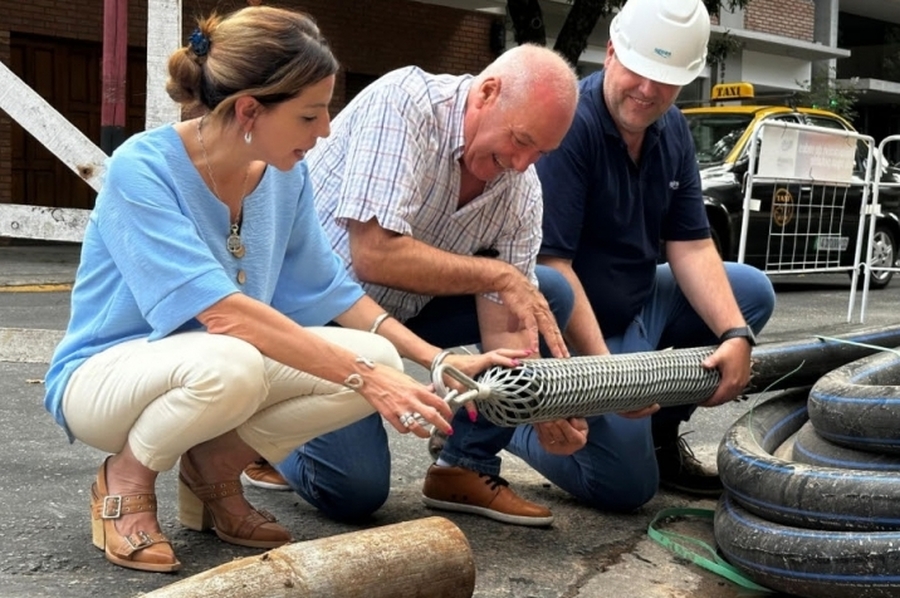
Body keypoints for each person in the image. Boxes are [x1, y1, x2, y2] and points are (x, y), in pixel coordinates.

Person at [43, 6, 522, 573]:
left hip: (218, 368)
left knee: (375, 354)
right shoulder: (141, 168)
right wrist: (369, 383)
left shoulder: (284, 176)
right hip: (105, 379)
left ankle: (214, 470)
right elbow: (222, 315)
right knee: (250, 361)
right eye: (310, 115)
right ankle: (124, 477)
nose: (324, 133)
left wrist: (434, 360)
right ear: (249, 110)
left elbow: (330, 293)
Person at [243, 44, 581, 526]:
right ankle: (264, 437)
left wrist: (533, 404)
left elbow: (507, 328)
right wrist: (497, 273)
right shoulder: (406, 103)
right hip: (311, 315)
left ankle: (463, 467)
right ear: (487, 93)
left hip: (399, 311)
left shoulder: (521, 187)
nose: (524, 163)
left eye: (541, 153)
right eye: (521, 140)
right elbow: (374, 254)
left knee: (542, 292)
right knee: (353, 491)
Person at [500, 0, 776, 512]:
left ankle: (658, 437)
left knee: (750, 293)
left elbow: (691, 244)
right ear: (610, 53)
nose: (649, 91)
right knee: (626, 489)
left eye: (666, 79)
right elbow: (552, 269)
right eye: (639, 71)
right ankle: (506, 422)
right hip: (572, 325)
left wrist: (736, 334)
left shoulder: (670, 130)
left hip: (637, 304)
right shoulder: (571, 125)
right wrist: (612, 380)